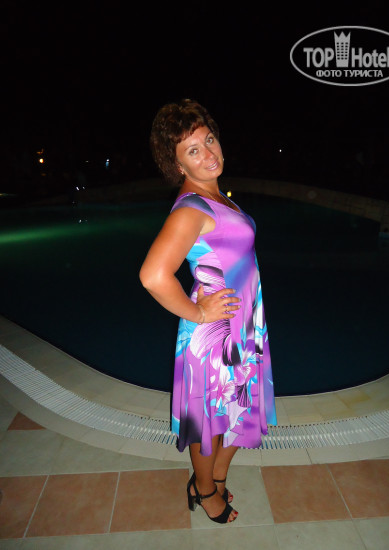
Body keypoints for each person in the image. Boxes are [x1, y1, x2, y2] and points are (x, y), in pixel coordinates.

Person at [139, 99, 277, 524]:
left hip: (243, 325)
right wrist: (198, 313)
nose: (209, 154)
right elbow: (153, 275)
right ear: (177, 164)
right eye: (193, 150)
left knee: (238, 411)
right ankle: (203, 491)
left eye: (209, 140)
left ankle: (216, 477)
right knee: (210, 423)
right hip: (216, 334)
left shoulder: (215, 196)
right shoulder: (191, 209)